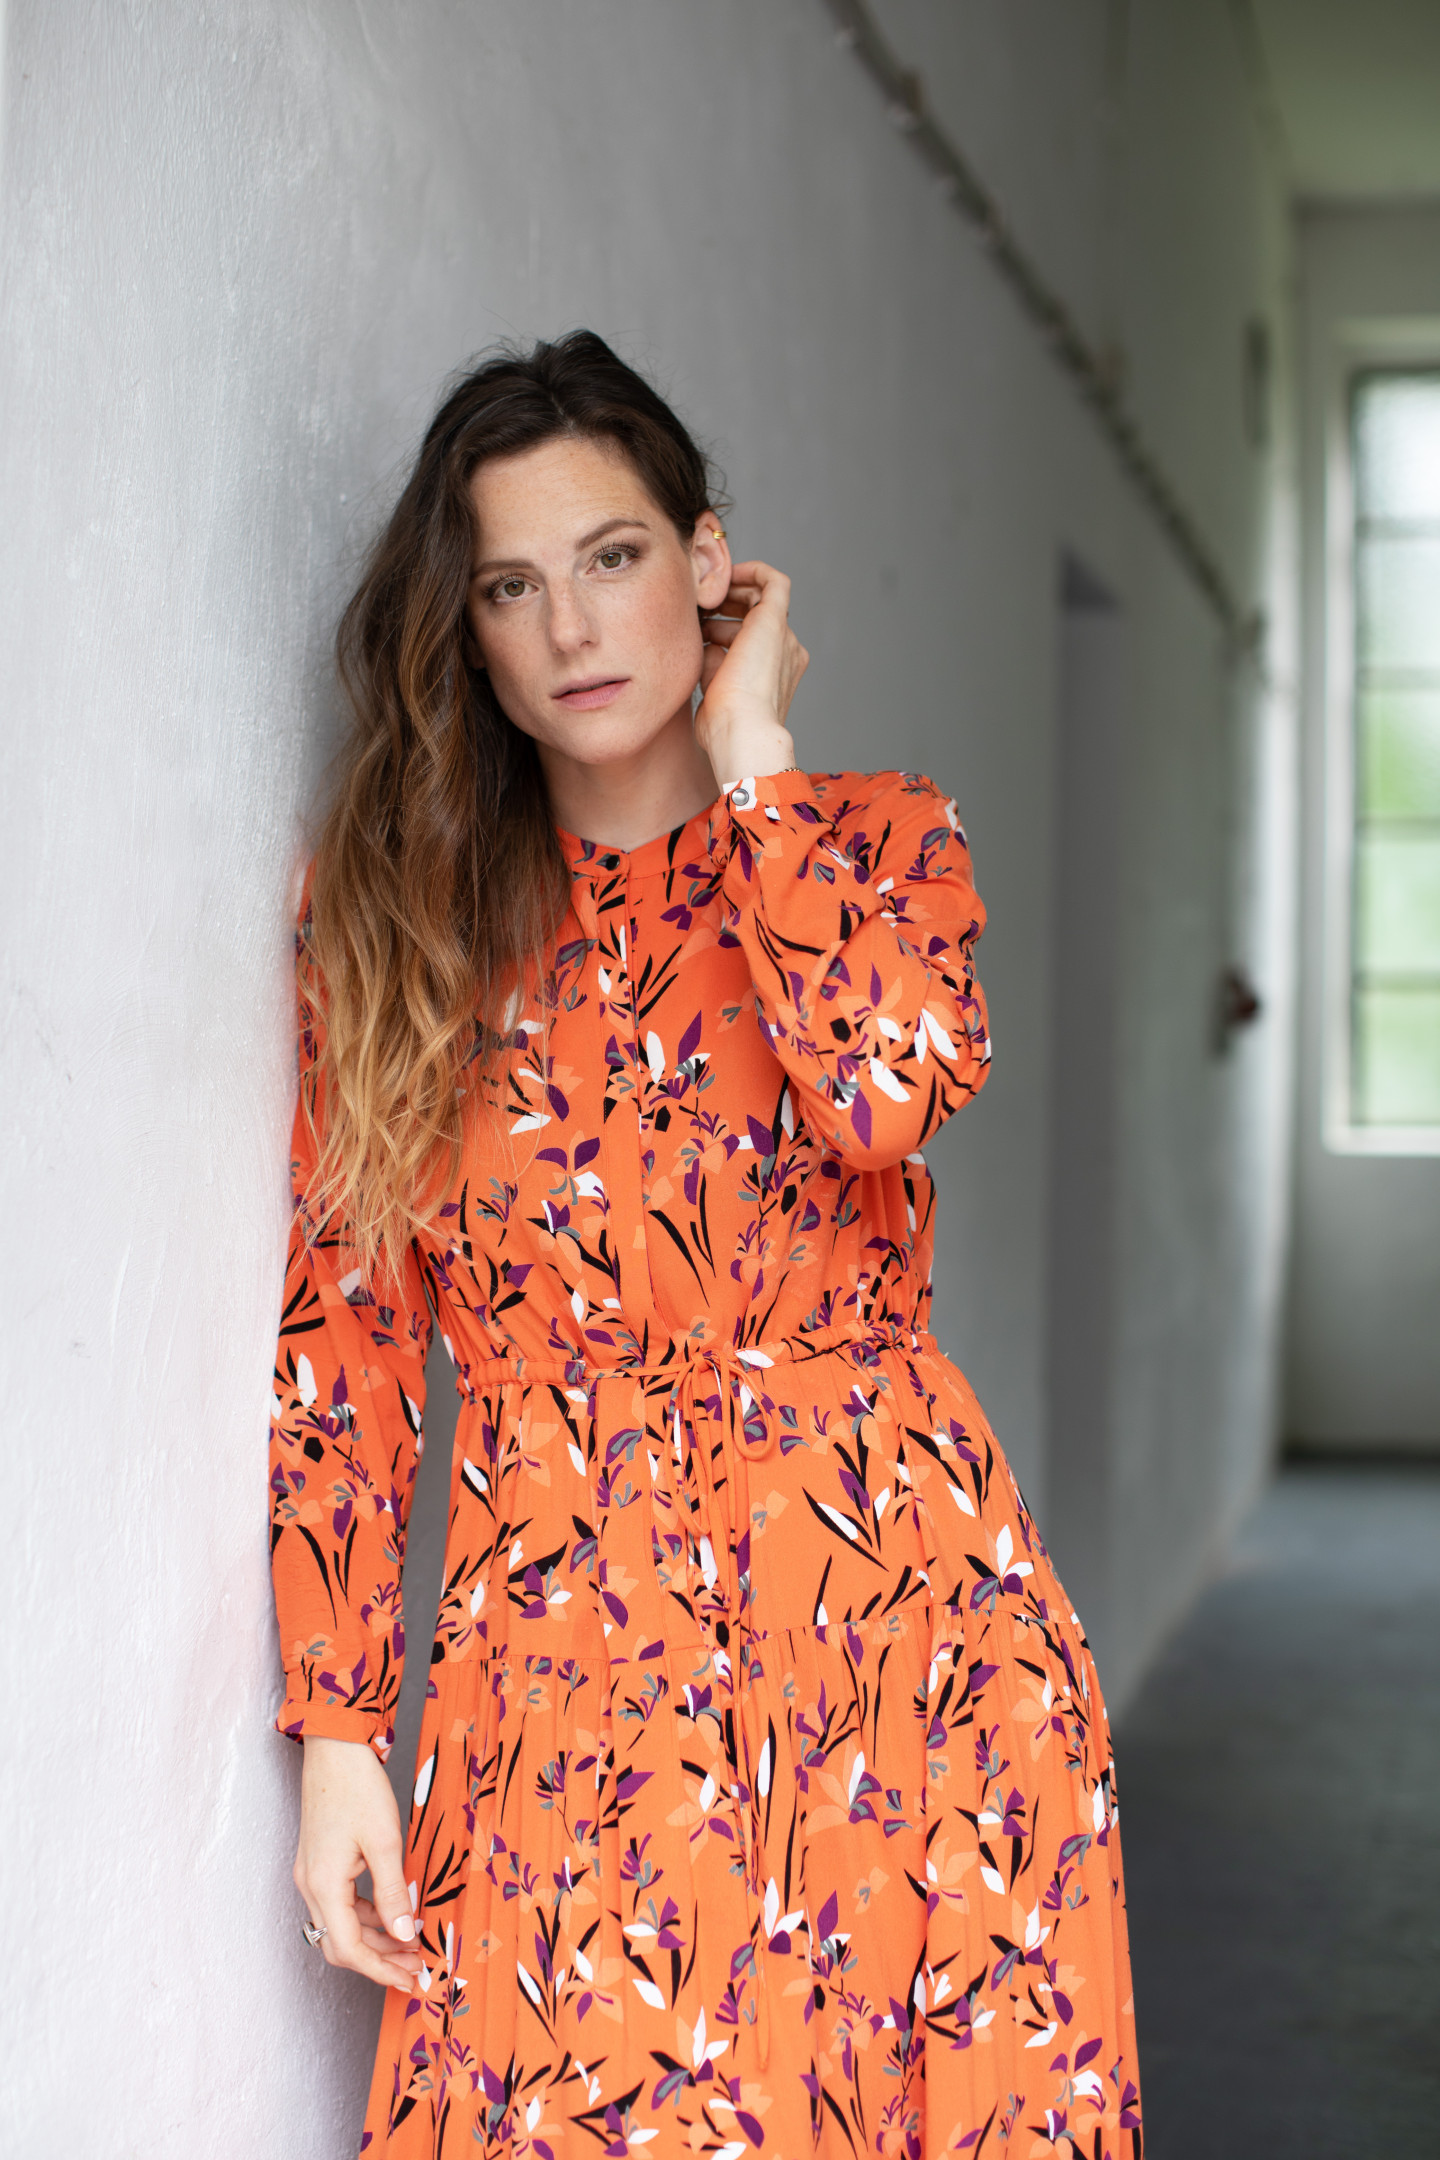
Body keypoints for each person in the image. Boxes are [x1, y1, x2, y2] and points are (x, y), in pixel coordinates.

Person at [269, 330, 1143, 2159]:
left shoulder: (878, 845)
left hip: (903, 1649)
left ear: (709, 564)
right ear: (471, 640)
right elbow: (347, 1332)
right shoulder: (398, 923)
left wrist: (757, 768)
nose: (575, 627)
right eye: (512, 586)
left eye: (613, 557)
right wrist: (341, 1735)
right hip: (566, 1667)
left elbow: (889, 1091)